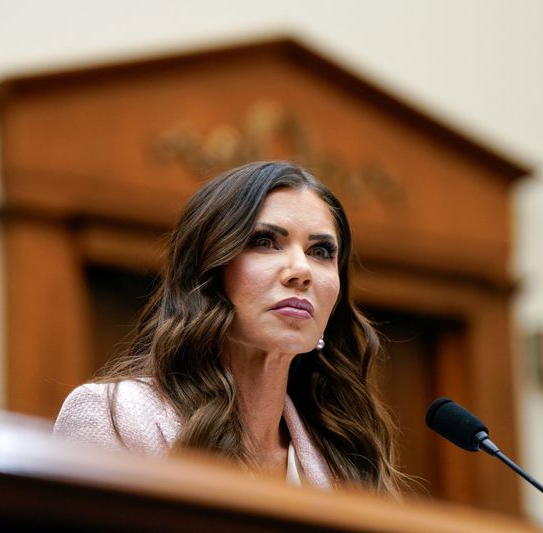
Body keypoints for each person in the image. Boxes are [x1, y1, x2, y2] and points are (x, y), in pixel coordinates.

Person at [54, 161, 403, 495]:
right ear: (209, 273)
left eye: (321, 251)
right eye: (265, 242)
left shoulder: (345, 455)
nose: (302, 270)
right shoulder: (117, 418)